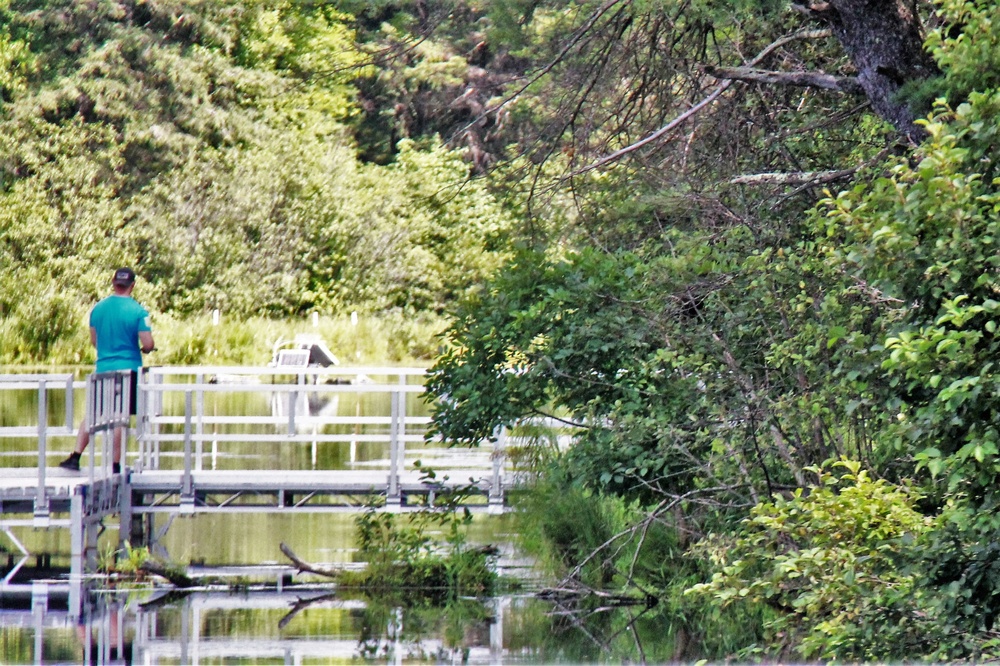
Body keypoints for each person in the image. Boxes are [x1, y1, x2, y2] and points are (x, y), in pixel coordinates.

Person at [59, 267, 155, 474]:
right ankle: (115, 465)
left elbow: (94, 341)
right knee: (120, 417)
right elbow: (147, 343)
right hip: (128, 370)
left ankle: (75, 456)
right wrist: (145, 349)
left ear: (113, 284)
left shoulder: (97, 309)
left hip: (102, 369)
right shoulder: (139, 312)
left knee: (94, 413)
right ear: (133, 286)